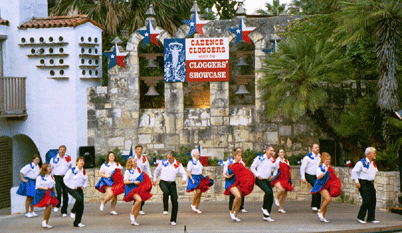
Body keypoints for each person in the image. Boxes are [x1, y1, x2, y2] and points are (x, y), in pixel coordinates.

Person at [152, 151, 187, 226]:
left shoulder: (178, 164)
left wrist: (184, 179)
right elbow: (156, 171)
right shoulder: (163, 162)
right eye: (168, 158)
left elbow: (184, 173)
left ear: (173, 158)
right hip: (163, 182)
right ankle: (165, 208)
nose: (168, 159)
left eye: (170, 158)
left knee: (175, 201)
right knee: (166, 192)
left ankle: (173, 220)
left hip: (172, 184)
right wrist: (154, 179)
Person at [223, 150, 255, 222]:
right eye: (238, 156)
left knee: (240, 198)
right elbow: (224, 173)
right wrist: (227, 177)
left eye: (240, 156)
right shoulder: (228, 163)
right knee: (238, 196)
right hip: (230, 182)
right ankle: (232, 211)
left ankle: (235, 215)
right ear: (234, 156)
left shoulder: (241, 163)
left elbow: (244, 172)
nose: (240, 157)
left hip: (238, 182)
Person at [351, 147, 380, 224]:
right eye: (373, 153)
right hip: (363, 183)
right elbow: (354, 172)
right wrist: (357, 182)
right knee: (366, 200)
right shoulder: (361, 163)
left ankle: (371, 218)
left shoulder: (373, 163)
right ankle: (360, 217)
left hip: (370, 183)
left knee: (373, 200)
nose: (375, 154)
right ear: (368, 154)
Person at [310, 152, 342, 223]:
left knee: (325, 202)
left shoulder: (329, 167)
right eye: (326, 159)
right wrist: (325, 172)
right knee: (328, 199)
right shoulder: (320, 168)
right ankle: (320, 211)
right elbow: (318, 177)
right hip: (321, 186)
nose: (328, 161)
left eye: (329, 159)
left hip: (327, 186)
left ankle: (323, 217)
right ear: (323, 160)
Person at [250, 146, 278, 221]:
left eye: (273, 151)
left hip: (267, 180)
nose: (272, 152)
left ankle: (266, 216)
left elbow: (276, 168)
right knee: (268, 192)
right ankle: (264, 207)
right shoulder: (260, 158)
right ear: (266, 150)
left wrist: (273, 175)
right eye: (271, 151)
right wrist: (258, 175)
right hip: (260, 180)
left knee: (271, 197)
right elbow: (252, 167)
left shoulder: (273, 160)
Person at [123, 157, 153, 226]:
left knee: (139, 205)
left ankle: (134, 220)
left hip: (138, 188)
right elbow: (125, 181)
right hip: (131, 188)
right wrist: (133, 181)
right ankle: (132, 213)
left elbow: (143, 175)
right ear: (131, 163)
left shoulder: (138, 169)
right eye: (134, 162)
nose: (136, 163)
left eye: (136, 161)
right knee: (139, 200)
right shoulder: (128, 171)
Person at [186, 149, 214, 214]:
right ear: (194, 154)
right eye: (198, 153)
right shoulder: (191, 162)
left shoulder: (198, 161)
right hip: (194, 177)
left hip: (199, 177)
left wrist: (204, 177)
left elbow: (200, 171)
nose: (199, 154)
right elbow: (188, 171)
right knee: (198, 191)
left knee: (200, 192)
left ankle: (196, 208)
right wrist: (191, 178)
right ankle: (193, 204)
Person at [32, 163, 58, 228]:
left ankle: (46, 222)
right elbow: (37, 186)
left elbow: (53, 186)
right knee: (48, 206)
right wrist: (45, 188)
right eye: (48, 166)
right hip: (43, 193)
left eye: (50, 166)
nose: (49, 168)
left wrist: (55, 193)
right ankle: (44, 220)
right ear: (44, 168)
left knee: (50, 206)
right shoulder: (40, 177)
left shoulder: (51, 176)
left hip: (50, 192)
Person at [63, 156, 88, 227]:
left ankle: (77, 222)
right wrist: (72, 186)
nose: (82, 162)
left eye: (83, 161)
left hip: (79, 188)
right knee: (79, 199)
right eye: (80, 161)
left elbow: (86, 180)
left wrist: (84, 185)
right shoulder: (72, 170)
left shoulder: (83, 171)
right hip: (72, 188)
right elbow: (65, 179)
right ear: (77, 162)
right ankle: (73, 210)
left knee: (81, 205)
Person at [50, 145, 73, 217]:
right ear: (58, 150)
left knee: (65, 194)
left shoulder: (68, 158)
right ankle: (58, 204)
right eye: (61, 149)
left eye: (63, 149)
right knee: (58, 192)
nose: (62, 151)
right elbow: (50, 168)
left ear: (65, 151)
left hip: (65, 177)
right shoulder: (54, 158)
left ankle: (64, 210)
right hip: (57, 177)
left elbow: (70, 167)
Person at [129, 145, 152, 215]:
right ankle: (135, 207)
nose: (140, 151)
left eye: (141, 149)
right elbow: (128, 167)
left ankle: (140, 208)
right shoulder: (132, 158)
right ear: (135, 150)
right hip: (134, 178)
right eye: (138, 149)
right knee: (136, 193)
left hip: (142, 177)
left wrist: (150, 176)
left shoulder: (144, 158)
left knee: (143, 192)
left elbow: (147, 168)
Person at [271, 149, 294, 213]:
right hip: (278, 178)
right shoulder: (276, 161)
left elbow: (289, 170)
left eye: (283, 152)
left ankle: (280, 208)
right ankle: (276, 198)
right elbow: (272, 169)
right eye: (281, 152)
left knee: (284, 194)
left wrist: (289, 177)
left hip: (285, 178)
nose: (282, 153)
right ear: (278, 153)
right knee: (281, 189)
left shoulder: (286, 161)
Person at [300, 143, 321, 211]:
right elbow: (302, 168)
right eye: (315, 147)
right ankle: (314, 205)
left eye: (318, 147)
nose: (317, 149)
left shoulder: (320, 156)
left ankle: (318, 206)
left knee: (319, 188)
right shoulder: (307, 157)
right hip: (309, 174)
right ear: (312, 149)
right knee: (315, 186)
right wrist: (303, 177)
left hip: (317, 175)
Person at [227, 148, 247, 213]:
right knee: (233, 194)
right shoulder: (230, 160)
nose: (239, 153)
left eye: (240, 152)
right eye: (238, 152)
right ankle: (231, 208)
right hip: (233, 179)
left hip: (240, 179)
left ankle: (241, 207)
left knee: (241, 192)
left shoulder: (242, 162)